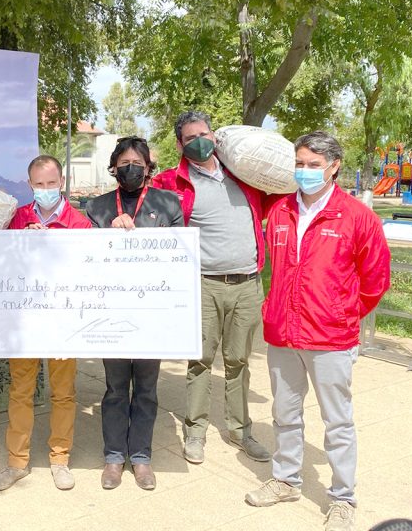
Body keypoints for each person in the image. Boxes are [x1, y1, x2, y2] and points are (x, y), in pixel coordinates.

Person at [245, 131, 391, 531]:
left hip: (330, 338)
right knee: (284, 414)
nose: (305, 172)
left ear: (334, 166)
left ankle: (343, 498)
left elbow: (376, 280)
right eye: (300, 164)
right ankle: (286, 479)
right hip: (283, 334)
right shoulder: (279, 212)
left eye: (313, 165)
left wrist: (342, 313)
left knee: (337, 421)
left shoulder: (357, 217)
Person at [152, 111, 273, 465]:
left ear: (215, 136)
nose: (199, 141)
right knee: (201, 361)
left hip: (248, 284)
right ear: (180, 144)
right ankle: (195, 433)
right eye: (191, 138)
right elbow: (145, 210)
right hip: (203, 286)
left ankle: (240, 431)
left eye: (204, 134)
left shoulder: (244, 176)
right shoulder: (172, 183)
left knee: (239, 361)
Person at [85, 136, 184, 491]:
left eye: (137, 164)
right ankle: (113, 456)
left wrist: (140, 236)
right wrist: (106, 237)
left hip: (152, 311)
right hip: (110, 310)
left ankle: (141, 457)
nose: (130, 169)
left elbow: (178, 256)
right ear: (113, 167)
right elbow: (83, 261)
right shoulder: (96, 208)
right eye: (124, 163)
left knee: (145, 387)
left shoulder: (168, 203)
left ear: (148, 168)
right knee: (114, 388)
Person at [0, 155, 92, 492]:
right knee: (21, 391)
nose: (45, 190)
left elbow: (88, 274)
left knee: (63, 393)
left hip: (64, 321)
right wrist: (22, 243)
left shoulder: (79, 223)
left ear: (61, 182)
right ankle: (16, 462)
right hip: (24, 320)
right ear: (29, 184)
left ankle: (59, 458)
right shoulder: (17, 218)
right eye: (39, 184)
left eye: (51, 184)